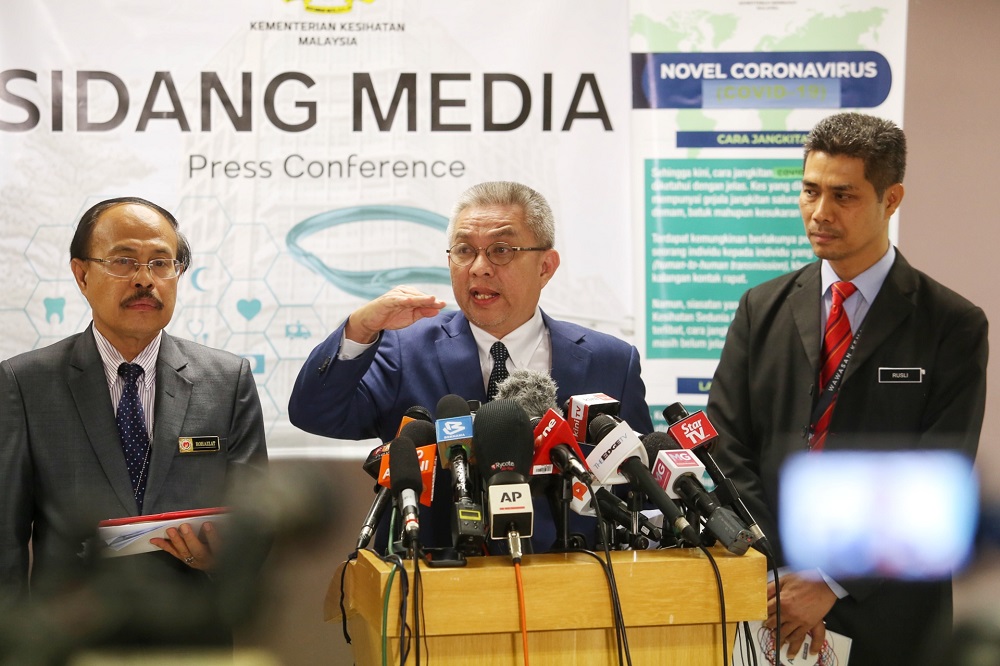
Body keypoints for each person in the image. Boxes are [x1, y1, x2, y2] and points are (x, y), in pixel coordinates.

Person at [706, 112, 988, 666]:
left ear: (892, 198)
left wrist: (829, 581)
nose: (820, 213)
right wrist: (784, 570)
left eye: (844, 195)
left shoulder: (951, 324)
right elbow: (724, 443)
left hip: (889, 610)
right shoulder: (761, 307)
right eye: (809, 191)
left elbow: (938, 471)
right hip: (770, 599)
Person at [288, 180, 653, 552]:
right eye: (464, 250)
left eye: (501, 250)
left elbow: (645, 494)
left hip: (573, 589)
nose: (479, 268)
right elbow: (316, 414)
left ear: (545, 266)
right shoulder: (404, 348)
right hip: (434, 584)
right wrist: (360, 329)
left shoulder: (609, 361)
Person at [0, 197, 268, 644]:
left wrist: (224, 555)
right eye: (124, 261)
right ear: (81, 275)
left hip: (193, 634)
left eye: (161, 263)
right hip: (70, 637)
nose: (145, 279)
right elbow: (4, 540)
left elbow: (257, 520)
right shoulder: (24, 383)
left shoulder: (227, 379)